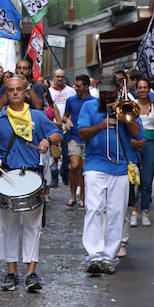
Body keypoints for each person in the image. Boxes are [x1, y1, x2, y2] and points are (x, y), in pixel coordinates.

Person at [0, 75, 62, 293]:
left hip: (33, 176)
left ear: (26, 92)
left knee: (34, 227)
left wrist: (47, 140)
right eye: (10, 90)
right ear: (6, 93)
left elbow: (58, 132)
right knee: (8, 228)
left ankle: (31, 272)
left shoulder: (37, 116)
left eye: (19, 89)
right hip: (8, 177)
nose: (15, 93)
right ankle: (11, 272)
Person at [78, 73, 145, 275]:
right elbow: (81, 134)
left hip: (120, 166)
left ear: (117, 89)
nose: (106, 94)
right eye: (103, 90)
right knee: (94, 208)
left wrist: (123, 115)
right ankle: (94, 256)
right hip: (95, 165)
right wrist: (100, 126)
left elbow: (138, 135)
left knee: (116, 212)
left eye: (110, 90)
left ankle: (109, 257)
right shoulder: (89, 107)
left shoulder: (126, 106)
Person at [129, 78, 154, 228]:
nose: (143, 90)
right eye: (140, 88)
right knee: (134, 179)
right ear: (136, 90)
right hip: (135, 143)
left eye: (145, 87)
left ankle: (145, 211)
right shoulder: (132, 105)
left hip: (150, 143)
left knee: (147, 180)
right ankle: (134, 211)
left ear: (149, 89)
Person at [63, 74, 92, 209]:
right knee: (74, 166)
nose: (76, 88)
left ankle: (82, 198)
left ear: (87, 87)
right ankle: (72, 195)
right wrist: (67, 121)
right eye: (75, 85)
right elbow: (65, 116)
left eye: (78, 86)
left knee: (83, 169)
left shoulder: (94, 102)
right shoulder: (71, 100)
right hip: (74, 137)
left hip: (88, 139)